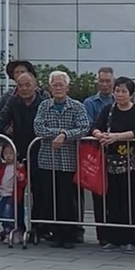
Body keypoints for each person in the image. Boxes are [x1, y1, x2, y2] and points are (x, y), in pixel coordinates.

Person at [30, 70, 92, 248]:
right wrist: (60, 133)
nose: (58, 88)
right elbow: (38, 128)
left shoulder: (77, 106)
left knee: (68, 199)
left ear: (67, 87)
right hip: (47, 160)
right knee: (50, 198)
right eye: (54, 85)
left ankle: (69, 234)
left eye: (61, 85)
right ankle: (55, 233)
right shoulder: (44, 106)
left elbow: (83, 127)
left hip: (69, 161)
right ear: (50, 87)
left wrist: (65, 135)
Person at [90, 76, 135, 249]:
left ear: (131, 94)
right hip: (110, 163)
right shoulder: (108, 109)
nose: (120, 94)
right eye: (117, 91)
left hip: (130, 163)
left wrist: (117, 136)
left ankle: (130, 239)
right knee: (112, 200)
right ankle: (113, 238)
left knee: (129, 200)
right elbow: (95, 126)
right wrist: (99, 134)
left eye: (124, 91)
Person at [0, 69, 44, 246]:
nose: (24, 88)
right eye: (20, 85)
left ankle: (38, 228)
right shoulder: (13, 101)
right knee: (17, 193)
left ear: (35, 85)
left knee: (40, 192)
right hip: (19, 151)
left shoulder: (43, 102)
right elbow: (2, 117)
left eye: (27, 85)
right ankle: (17, 227)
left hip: (40, 151)